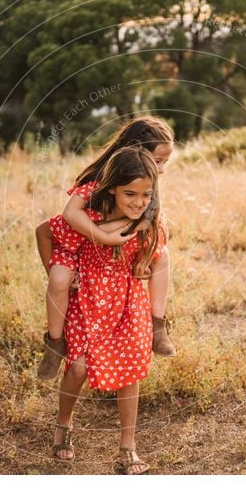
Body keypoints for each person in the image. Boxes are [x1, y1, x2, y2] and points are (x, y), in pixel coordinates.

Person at [50, 146, 164, 474]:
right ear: (111, 187)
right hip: (87, 298)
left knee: (130, 369)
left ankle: (127, 446)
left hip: (127, 302)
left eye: (146, 194)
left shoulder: (148, 220)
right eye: (129, 193)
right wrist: (57, 273)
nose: (138, 201)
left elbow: (155, 253)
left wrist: (144, 261)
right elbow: (47, 231)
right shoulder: (89, 217)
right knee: (78, 368)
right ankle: (64, 423)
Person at [35, 117, 176, 382]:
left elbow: (155, 223)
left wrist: (143, 256)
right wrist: (103, 235)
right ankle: (55, 344)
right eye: (158, 161)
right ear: (135, 152)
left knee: (163, 255)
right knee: (59, 278)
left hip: (112, 252)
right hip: (78, 245)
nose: (162, 170)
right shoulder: (103, 181)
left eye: (165, 162)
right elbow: (62, 219)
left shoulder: (146, 189)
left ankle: (158, 327)